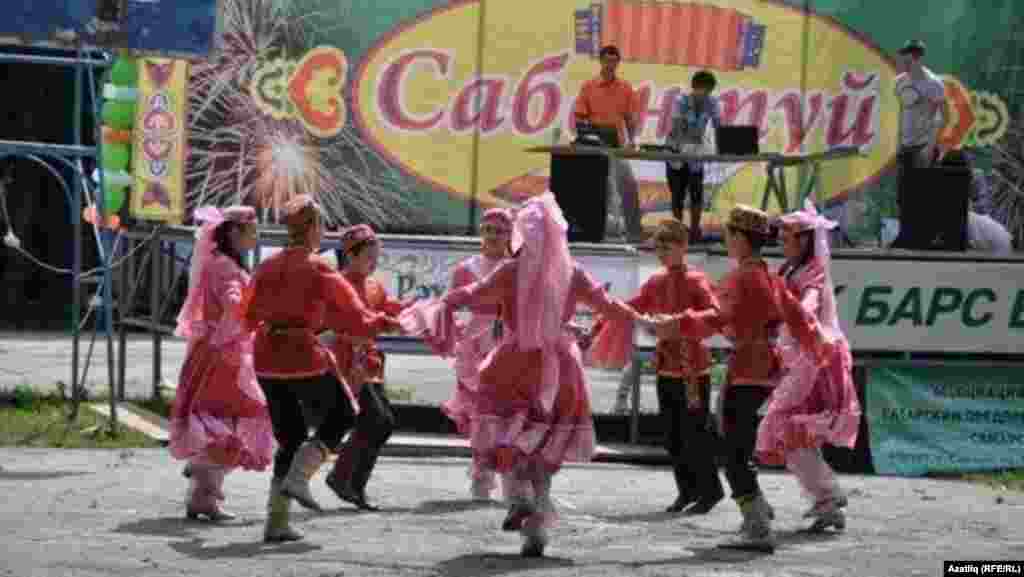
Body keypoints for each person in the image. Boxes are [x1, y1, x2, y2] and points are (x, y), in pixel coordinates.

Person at [399, 193, 641, 557]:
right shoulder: (572, 272)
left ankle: (520, 499)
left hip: (513, 363)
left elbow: (474, 294)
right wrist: (649, 321)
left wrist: (440, 304)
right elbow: (609, 307)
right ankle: (536, 520)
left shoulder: (512, 271)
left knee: (507, 436)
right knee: (544, 445)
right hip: (560, 367)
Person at [662, 204, 834, 551]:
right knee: (738, 447)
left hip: (747, 370)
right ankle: (759, 511)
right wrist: (819, 346)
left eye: (728, 234)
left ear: (740, 238)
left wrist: (675, 323)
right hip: (767, 368)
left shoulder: (742, 277)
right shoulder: (770, 276)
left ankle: (757, 525)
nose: (726, 241)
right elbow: (799, 319)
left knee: (734, 453)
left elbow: (717, 317)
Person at [242, 194, 399, 543]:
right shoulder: (320, 267)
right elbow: (356, 317)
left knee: (290, 437)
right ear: (313, 227)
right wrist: (386, 323)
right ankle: (299, 478)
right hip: (301, 354)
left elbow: (248, 316)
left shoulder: (267, 266)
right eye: (322, 224)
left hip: (266, 356)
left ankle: (277, 521)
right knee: (344, 414)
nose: (324, 230)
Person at [589, 219, 724, 515]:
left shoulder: (697, 280)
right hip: (665, 365)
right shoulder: (655, 281)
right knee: (672, 435)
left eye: (667, 246)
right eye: (658, 247)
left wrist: (681, 321)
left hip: (692, 368)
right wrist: (602, 317)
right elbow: (633, 306)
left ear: (683, 246)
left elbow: (715, 314)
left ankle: (710, 490)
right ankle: (687, 491)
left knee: (695, 432)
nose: (662, 253)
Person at [757, 200, 862, 532]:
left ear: (804, 240)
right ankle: (827, 498)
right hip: (799, 359)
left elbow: (810, 302)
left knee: (789, 429)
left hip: (817, 361)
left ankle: (828, 497)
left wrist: (798, 308)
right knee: (793, 433)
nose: (781, 242)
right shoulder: (787, 270)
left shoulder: (812, 272)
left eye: (787, 237)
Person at [169, 205, 274, 522]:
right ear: (235, 232)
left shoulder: (219, 262)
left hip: (216, 351)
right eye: (252, 230)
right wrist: (251, 312)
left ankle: (202, 489)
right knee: (237, 419)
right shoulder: (226, 267)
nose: (256, 236)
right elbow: (233, 303)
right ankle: (203, 486)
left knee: (223, 420)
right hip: (223, 356)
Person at [326, 224, 415, 511]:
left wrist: (419, 310)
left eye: (376, 257)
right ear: (350, 255)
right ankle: (343, 478)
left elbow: (390, 307)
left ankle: (351, 483)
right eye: (369, 257)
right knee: (375, 418)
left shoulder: (374, 285)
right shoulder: (338, 284)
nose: (374, 263)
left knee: (383, 423)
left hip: (370, 362)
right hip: (347, 361)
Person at [442, 208, 514, 500]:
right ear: (481, 233)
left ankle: (511, 478)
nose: (493, 236)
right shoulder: (465, 269)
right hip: (474, 345)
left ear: (510, 235)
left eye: (500, 231)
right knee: (480, 413)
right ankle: (482, 476)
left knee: (509, 412)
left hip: (509, 342)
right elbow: (450, 307)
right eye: (488, 230)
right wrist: (461, 331)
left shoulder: (517, 267)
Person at [573, 44, 643, 241]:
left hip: (617, 147)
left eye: (614, 61)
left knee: (628, 184)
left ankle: (634, 232)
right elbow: (580, 117)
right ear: (601, 61)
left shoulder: (625, 88)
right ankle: (597, 231)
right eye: (607, 61)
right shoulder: (588, 86)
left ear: (618, 63)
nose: (610, 65)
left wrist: (633, 140)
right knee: (600, 190)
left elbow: (630, 119)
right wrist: (586, 135)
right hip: (593, 149)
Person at [666, 70, 721, 243]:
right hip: (676, 149)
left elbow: (719, 125)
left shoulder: (712, 102)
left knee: (696, 191)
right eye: (703, 89)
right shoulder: (680, 101)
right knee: (677, 193)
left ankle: (695, 231)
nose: (705, 94)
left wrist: (724, 144)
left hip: (696, 151)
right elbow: (677, 127)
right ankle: (677, 232)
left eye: (709, 91)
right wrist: (691, 140)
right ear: (694, 87)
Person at [894, 40, 948, 212]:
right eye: (902, 57)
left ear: (917, 58)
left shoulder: (934, 83)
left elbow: (944, 116)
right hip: (905, 147)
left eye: (907, 57)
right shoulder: (899, 82)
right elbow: (900, 112)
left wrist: (930, 146)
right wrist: (897, 142)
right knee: (903, 199)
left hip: (923, 147)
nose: (903, 61)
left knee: (924, 200)